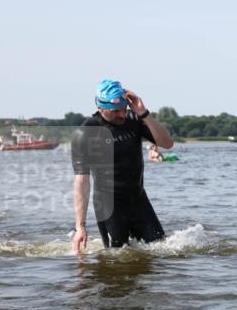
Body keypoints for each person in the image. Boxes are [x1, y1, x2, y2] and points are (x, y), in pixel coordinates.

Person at [71, 79, 174, 252]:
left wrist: (144, 113)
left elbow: (167, 143)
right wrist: (80, 226)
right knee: (116, 257)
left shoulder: (134, 119)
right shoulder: (87, 132)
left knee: (160, 251)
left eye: (124, 109)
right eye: (115, 111)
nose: (122, 115)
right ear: (100, 107)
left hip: (139, 200)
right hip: (108, 206)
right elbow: (82, 181)